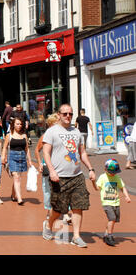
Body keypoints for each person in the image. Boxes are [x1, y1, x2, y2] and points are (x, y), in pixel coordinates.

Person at [42, 103, 96, 248]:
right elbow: (46, 152)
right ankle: (48, 223)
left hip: (77, 175)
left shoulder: (76, 132)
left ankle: (76, 236)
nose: (68, 116)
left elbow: (82, 152)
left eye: (70, 114)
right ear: (58, 115)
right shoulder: (52, 131)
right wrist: (52, 170)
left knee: (79, 206)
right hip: (59, 177)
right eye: (65, 114)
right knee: (59, 209)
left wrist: (90, 169)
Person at [90, 159, 131, 246]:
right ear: (105, 169)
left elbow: (122, 187)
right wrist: (93, 181)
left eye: (115, 172)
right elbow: (97, 188)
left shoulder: (117, 178)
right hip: (106, 202)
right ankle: (109, 236)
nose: (113, 174)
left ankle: (106, 234)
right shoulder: (103, 177)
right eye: (111, 172)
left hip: (116, 202)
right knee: (112, 219)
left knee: (113, 220)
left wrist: (127, 196)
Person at [34, 113, 60, 220]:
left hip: (60, 165)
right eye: (57, 122)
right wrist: (40, 163)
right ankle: (49, 210)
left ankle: (64, 211)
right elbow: (36, 150)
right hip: (47, 166)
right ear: (51, 124)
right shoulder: (45, 136)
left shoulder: (61, 135)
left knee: (63, 188)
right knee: (47, 189)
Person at [2, 117, 32, 205]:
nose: (19, 126)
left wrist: (29, 161)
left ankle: (13, 194)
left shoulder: (24, 135)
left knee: (17, 178)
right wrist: (3, 157)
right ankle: (19, 198)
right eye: (17, 124)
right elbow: (4, 147)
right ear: (13, 125)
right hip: (13, 157)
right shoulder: (9, 135)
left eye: (20, 124)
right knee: (16, 177)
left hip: (22, 157)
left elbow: (27, 149)